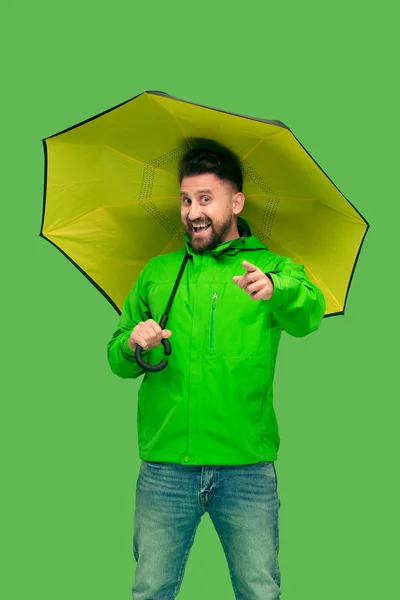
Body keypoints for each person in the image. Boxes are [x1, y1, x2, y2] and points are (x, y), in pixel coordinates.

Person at [107, 139, 326, 600]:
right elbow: (117, 359)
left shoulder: (269, 269)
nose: (192, 212)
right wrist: (132, 343)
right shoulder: (158, 273)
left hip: (246, 468)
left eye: (206, 199)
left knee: (259, 591)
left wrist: (278, 289)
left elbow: (309, 314)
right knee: (150, 591)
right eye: (186, 200)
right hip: (166, 466)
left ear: (236, 202)